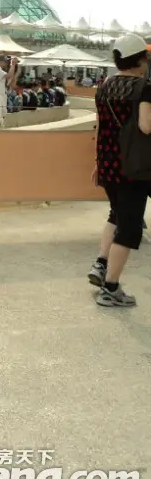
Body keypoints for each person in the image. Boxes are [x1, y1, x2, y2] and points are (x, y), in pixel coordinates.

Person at [87, 34, 151, 307]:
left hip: (109, 165)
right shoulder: (143, 88)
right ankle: (111, 289)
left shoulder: (104, 88)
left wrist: (98, 162)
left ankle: (101, 264)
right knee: (129, 227)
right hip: (134, 168)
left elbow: (101, 128)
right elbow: (146, 126)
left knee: (117, 213)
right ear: (140, 59)